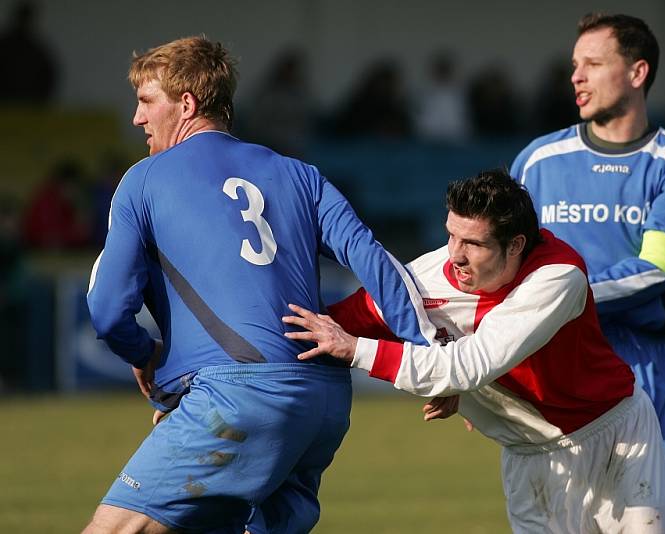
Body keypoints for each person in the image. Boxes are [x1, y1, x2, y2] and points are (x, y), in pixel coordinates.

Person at [83, 36, 433, 533]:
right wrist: (432, 362)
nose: (137, 118)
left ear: (186, 104)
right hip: (322, 404)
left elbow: (106, 308)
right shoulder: (301, 174)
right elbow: (377, 264)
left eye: (145, 101)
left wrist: (145, 356)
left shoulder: (144, 179)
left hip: (237, 398)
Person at [284, 170, 665, 533]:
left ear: (516, 246)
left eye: (473, 243)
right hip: (529, 459)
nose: (455, 254)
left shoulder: (558, 275)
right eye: (451, 235)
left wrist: (356, 351)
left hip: (616, 440)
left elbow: (473, 365)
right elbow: (328, 323)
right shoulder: (422, 279)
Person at [509, 13, 665, 518]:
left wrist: (560, 299)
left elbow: (656, 270)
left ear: (637, 73)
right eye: (575, 65)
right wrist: (494, 368)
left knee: (648, 522)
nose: (576, 76)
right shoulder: (537, 161)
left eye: (593, 64)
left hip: (637, 365)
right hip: (551, 363)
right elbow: (502, 271)